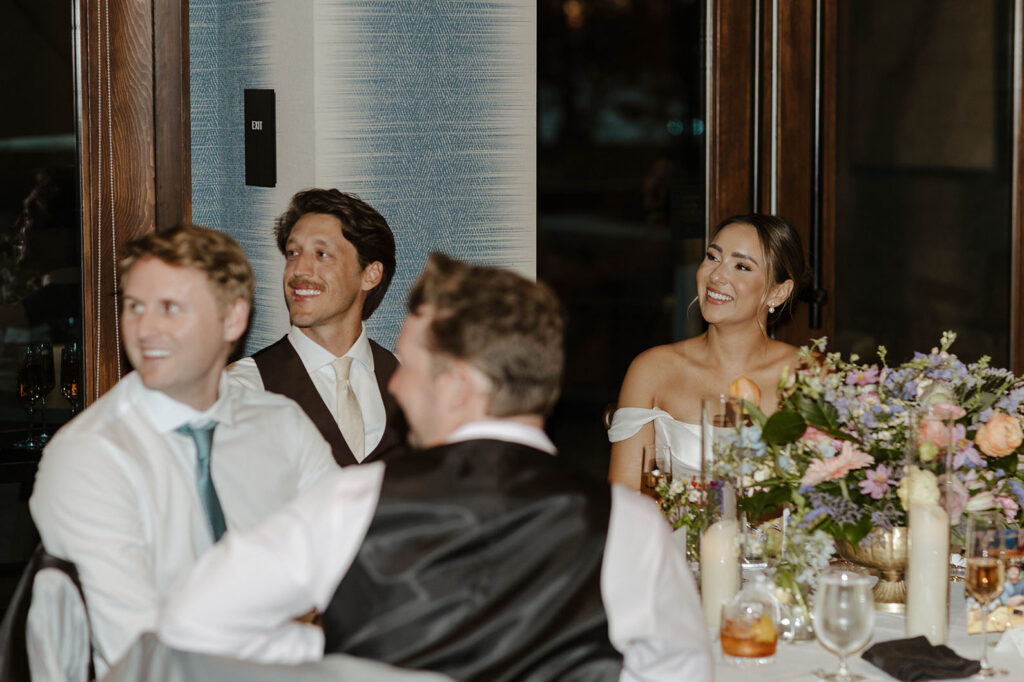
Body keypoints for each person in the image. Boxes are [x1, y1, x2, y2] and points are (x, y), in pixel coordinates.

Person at [157, 253, 712, 681]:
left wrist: (338, 659)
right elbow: (680, 673)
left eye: (413, 365)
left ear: (459, 387)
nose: (395, 382)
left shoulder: (353, 502)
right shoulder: (629, 524)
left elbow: (192, 619)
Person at [29, 225, 338, 676]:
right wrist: (306, 645)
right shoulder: (88, 457)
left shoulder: (279, 424)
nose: (145, 328)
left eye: (170, 308)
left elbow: (350, 552)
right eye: (134, 307)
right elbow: (141, 653)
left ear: (233, 319)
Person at [608, 213, 806, 489]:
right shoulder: (653, 370)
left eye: (742, 266)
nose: (716, 275)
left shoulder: (807, 376)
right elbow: (625, 496)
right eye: (713, 257)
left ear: (778, 293)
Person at [227, 189, 407, 466]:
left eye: (322, 254)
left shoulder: (410, 381)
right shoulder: (242, 388)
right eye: (293, 253)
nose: (299, 270)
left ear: (370, 275)